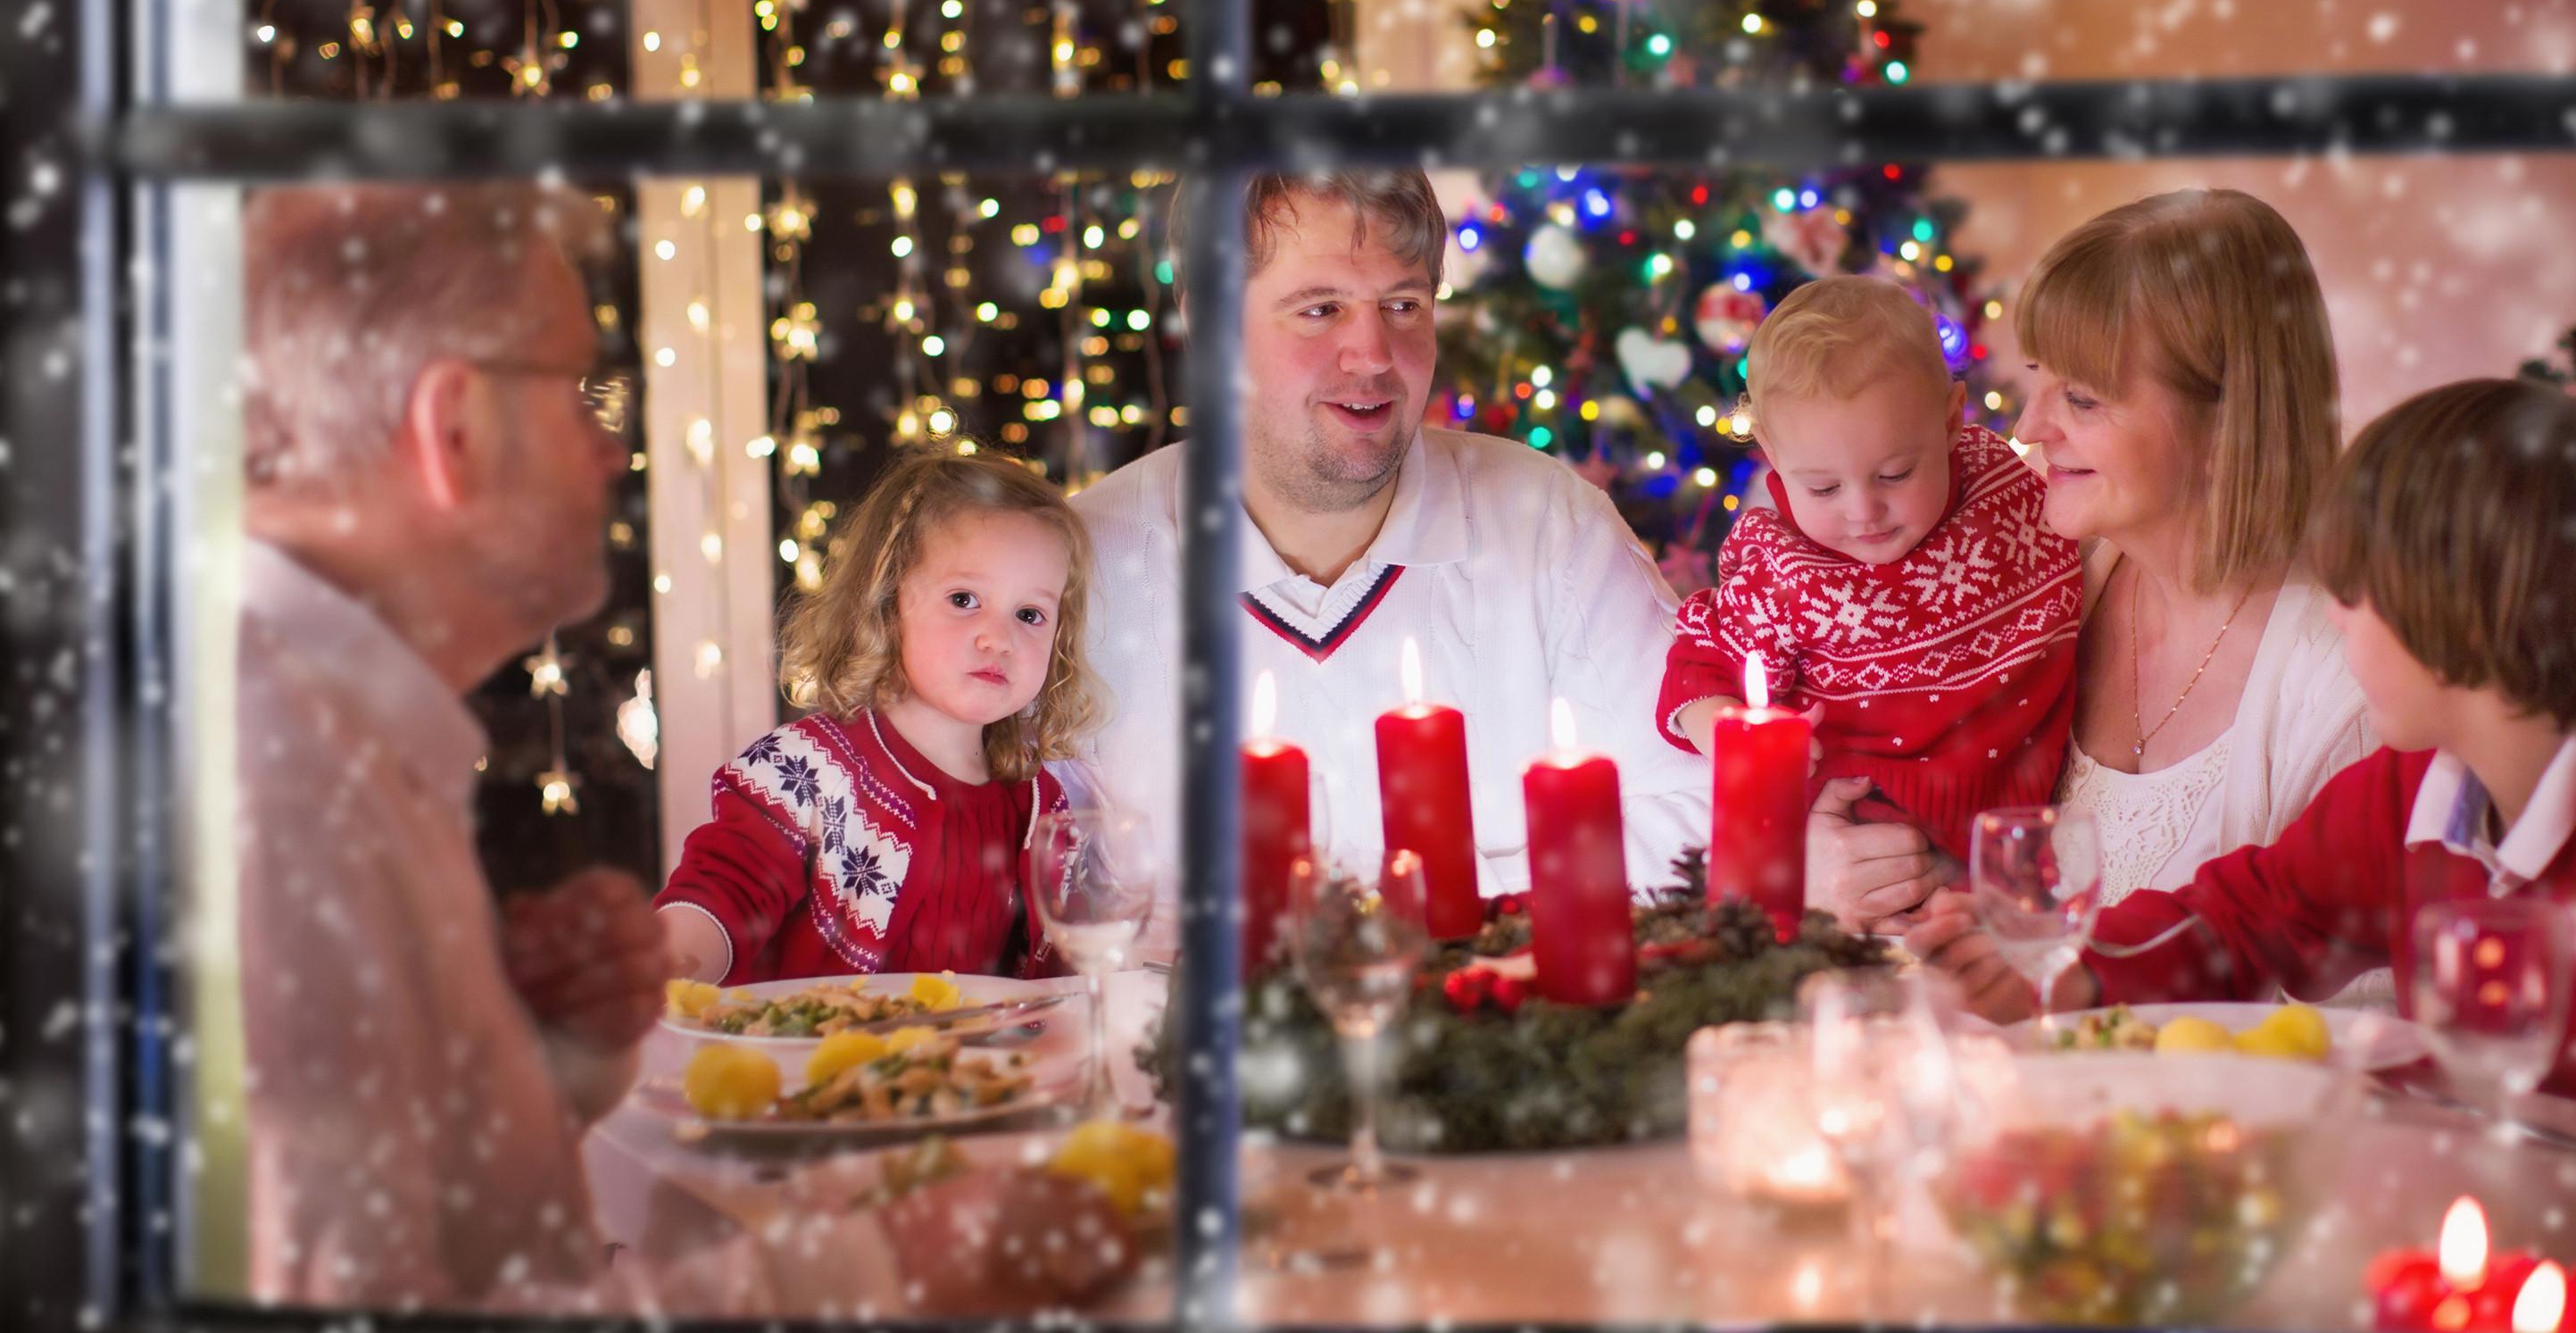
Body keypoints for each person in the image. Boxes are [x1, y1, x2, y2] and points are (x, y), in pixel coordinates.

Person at [235, 182, 1122, 1312]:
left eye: (1031, 614)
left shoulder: (364, 758)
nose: (615, 453)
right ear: (448, 423)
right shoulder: (287, 800)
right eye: (579, 398)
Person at [1909, 379, 2576, 1135]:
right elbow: (2246, 917)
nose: (2333, 617)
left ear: (2460, 605)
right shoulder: (2422, 786)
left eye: (2351, 590)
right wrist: (2063, 964)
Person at [1070, 170, 1709, 895]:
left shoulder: (1549, 526)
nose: (1374, 355)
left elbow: (1697, 812)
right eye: (1320, 310)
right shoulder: (1084, 564)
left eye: (1404, 304)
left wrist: (1429, 921)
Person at [1809, 189, 2373, 931]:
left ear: (2225, 420)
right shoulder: (2041, 588)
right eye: (2038, 374)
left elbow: (2356, 1019)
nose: (2029, 424)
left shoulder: (2345, 681)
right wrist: (1833, 868)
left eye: (2080, 398)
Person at [1655, 275, 2081, 869]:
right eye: (1823, 487)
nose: (1863, 512)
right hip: (1869, 836)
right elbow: (1701, 666)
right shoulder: (1779, 567)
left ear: (1953, 422)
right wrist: (1730, 732)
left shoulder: (2005, 490)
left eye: (1896, 474)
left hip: (2022, 819)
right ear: (1774, 456)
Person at [655, 448, 1104, 984]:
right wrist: (670, 969)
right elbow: (726, 888)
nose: (998, 638)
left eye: (1030, 614)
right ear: (886, 604)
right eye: (964, 599)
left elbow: (1058, 973)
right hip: (814, 1063)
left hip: (981, 1065)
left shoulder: (1037, 803)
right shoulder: (807, 769)